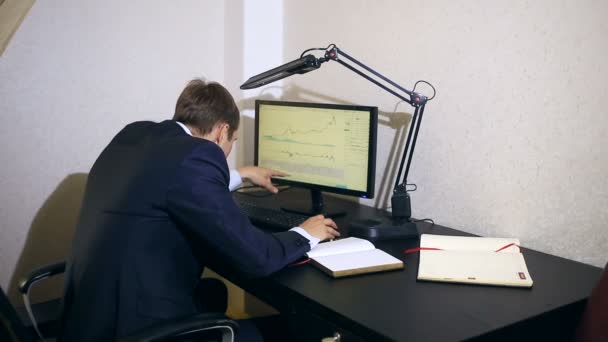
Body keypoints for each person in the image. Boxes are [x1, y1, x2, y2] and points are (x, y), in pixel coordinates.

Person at [59, 79, 340, 341]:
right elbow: (257, 258)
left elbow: (167, 180)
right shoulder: (196, 156)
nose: (228, 149)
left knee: (213, 292)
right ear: (221, 131)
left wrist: (241, 174)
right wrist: (305, 233)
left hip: (91, 316)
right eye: (232, 142)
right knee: (291, 333)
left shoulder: (135, 135)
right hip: (138, 328)